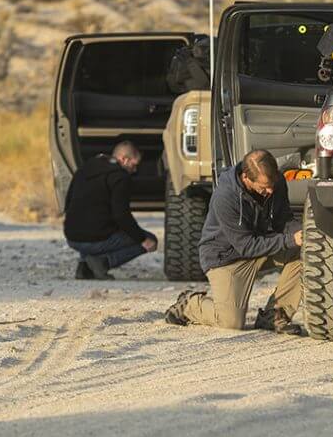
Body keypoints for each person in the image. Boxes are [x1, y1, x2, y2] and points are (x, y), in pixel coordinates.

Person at [164, 150, 303, 334]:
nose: (270, 191)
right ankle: (190, 304)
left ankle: (275, 315)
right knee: (230, 322)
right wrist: (289, 239)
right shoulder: (226, 196)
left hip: (258, 247)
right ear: (246, 177)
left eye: (272, 185)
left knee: (306, 252)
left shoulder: (275, 182)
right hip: (226, 258)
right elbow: (246, 246)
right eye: (264, 187)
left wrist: (302, 232)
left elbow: (282, 220)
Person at [64, 141, 158, 280]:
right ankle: (104, 262)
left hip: (72, 237)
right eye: (134, 164)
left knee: (90, 223)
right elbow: (121, 216)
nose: (135, 170)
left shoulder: (86, 168)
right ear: (124, 159)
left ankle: (84, 266)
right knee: (151, 240)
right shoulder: (120, 177)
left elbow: (68, 202)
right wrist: (142, 239)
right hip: (95, 239)